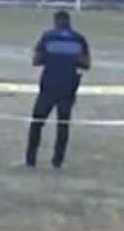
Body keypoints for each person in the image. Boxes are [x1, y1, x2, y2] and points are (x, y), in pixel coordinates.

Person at [25, 9, 91, 170]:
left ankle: (30, 160)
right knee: (62, 125)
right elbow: (86, 64)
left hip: (48, 86)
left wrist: (51, 59)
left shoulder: (47, 37)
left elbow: (36, 60)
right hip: (68, 87)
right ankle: (57, 162)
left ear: (55, 21)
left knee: (37, 123)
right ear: (69, 22)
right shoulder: (79, 39)